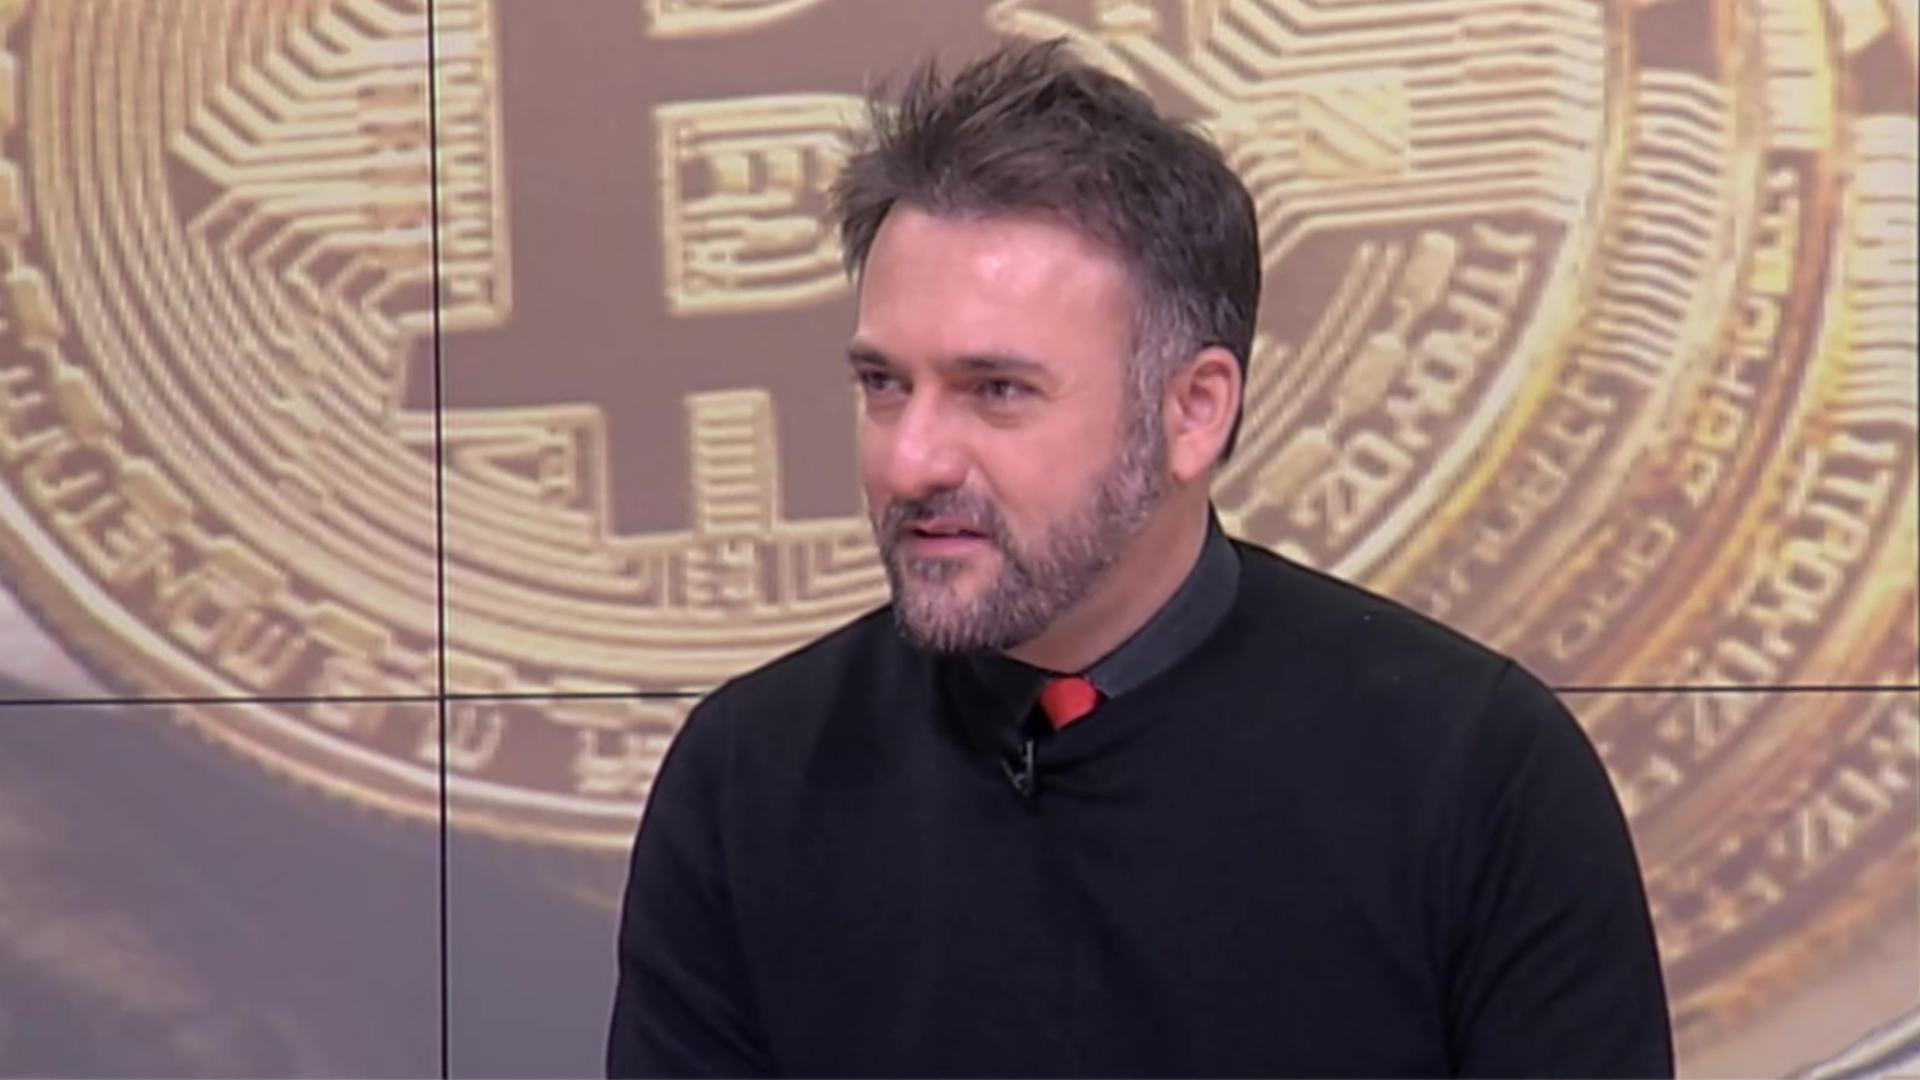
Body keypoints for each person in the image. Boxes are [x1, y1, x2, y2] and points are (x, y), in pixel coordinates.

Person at [607, 37, 1674, 1079]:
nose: (912, 458)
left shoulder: (1475, 772)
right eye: (885, 385)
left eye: (996, 390)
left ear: (1194, 410)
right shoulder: (750, 777)